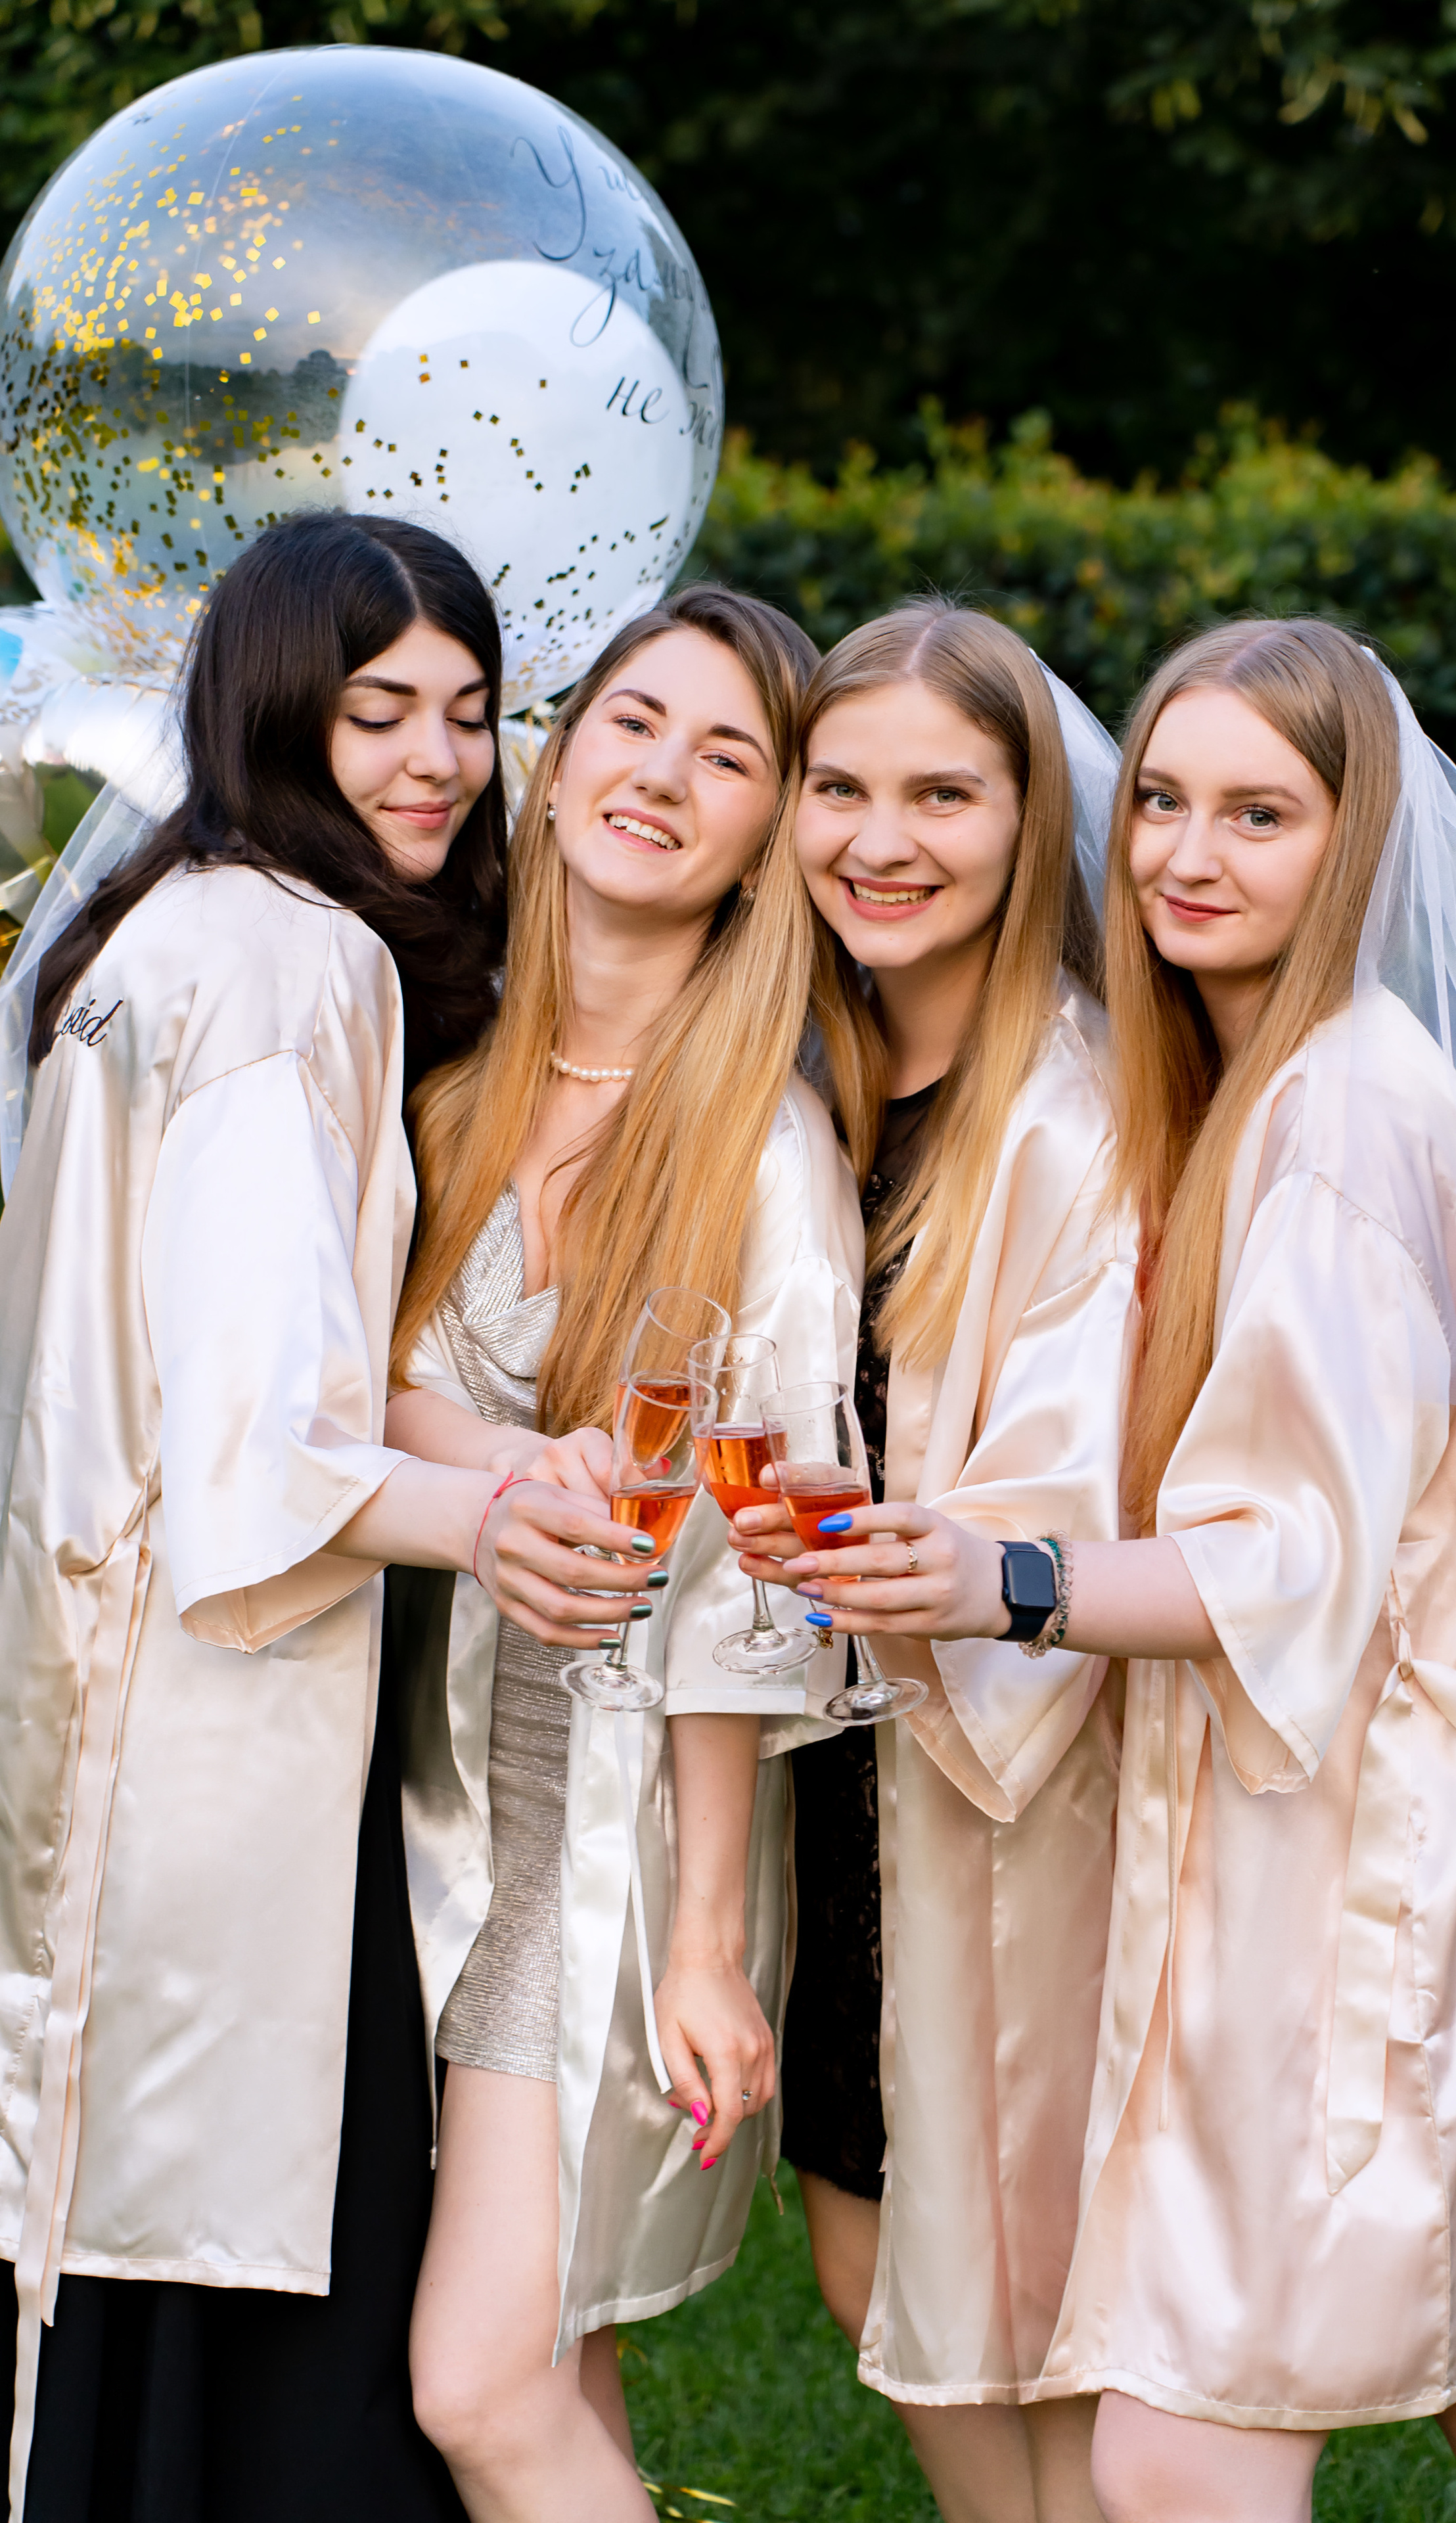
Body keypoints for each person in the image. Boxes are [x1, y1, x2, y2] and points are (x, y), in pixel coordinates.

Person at [785, 617, 1456, 2522]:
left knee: (1182, 2446)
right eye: (1168, 802)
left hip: (1374, 1870)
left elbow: (1282, 1559)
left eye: (1260, 814)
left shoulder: (1340, 1122)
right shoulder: (1306, 1084)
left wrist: (1000, 1580)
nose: (1188, 853)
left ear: (1354, 843)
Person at [0, 511, 652, 2523]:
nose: (440, 762)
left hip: (86, 1705)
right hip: (229, 1745)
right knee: (274, 2297)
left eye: (470, 712)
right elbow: (251, 1441)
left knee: (100, 2286)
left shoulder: (158, 935)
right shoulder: (305, 962)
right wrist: (496, 1528)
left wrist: (488, 1454)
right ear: (275, 706)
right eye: (380, 713)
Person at [386, 583, 862, 2522]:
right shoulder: (439, 1067)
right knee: (553, 2351)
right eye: (637, 723)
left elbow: (773, 1571)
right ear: (560, 750)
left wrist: (712, 1939)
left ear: (769, 839)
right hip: (400, 1790)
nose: (664, 775)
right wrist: (504, 1461)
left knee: (478, 2385)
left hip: (602, 1827)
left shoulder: (766, 1157)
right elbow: (352, 1396)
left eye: (729, 756)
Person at [733, 600, 1133, 2523]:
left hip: (1013, 1772)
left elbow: (1105, 1487)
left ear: (1029, 812)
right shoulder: (806, 1068)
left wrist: (958, 1559)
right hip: (845, 1765)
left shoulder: (1076, 1112)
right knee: (871, 2265)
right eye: (841, 787)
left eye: (943, 796)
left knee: (1038, 2308)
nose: (881, 838)